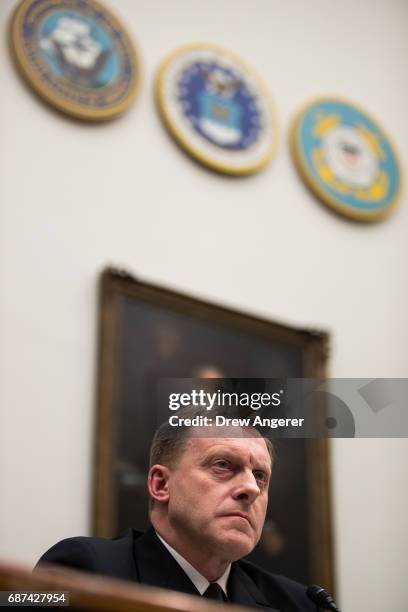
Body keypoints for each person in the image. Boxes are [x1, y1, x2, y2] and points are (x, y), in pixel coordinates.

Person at [37, 413, 315, 611]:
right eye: (222, 464)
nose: (251, 488)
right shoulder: (83, 568)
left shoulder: (298, 602)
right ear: (161, 484)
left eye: (260, 476)